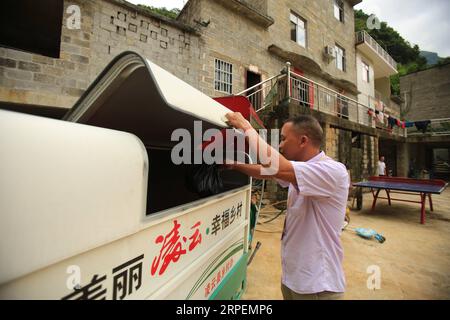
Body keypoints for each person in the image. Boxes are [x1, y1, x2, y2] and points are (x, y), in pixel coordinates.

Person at [224, 113, 349, 300]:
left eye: (283, 139)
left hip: (317, 286)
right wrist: (235, 166)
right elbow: (268, 172)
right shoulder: (301, 169)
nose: (280, 145)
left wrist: (246, 127)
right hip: (295, 278)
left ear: (303, 140)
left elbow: (277, 168)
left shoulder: (332, 170)